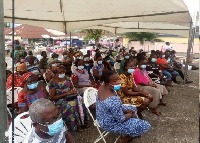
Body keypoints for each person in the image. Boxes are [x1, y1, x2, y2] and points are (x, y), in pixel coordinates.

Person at [96, 70, 151, 143]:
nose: (119, 82)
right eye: (115, 81)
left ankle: (134, 128)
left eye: (119, 79)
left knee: (132, 108)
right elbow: (121, 119)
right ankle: (126, 139)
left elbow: (115, 107)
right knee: (145, 125)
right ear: (108, 83)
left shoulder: (102, 88)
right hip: (109, 123)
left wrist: (125, 111)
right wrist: (130, 114)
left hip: (103, 115)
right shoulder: (113, 100)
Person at [49, 65, 89, 132]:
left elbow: (71, 87)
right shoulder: (52, 82)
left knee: (81, 101)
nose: (62, 73)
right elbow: (52, 97)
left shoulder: (67, 78)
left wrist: (73, 91)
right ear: (56, 73)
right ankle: (77, 125)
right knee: (72, 105)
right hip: (60, 101)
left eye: (63, 71)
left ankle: (83, 121)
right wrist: (66, 94)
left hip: (71, 96)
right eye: (60, 72)